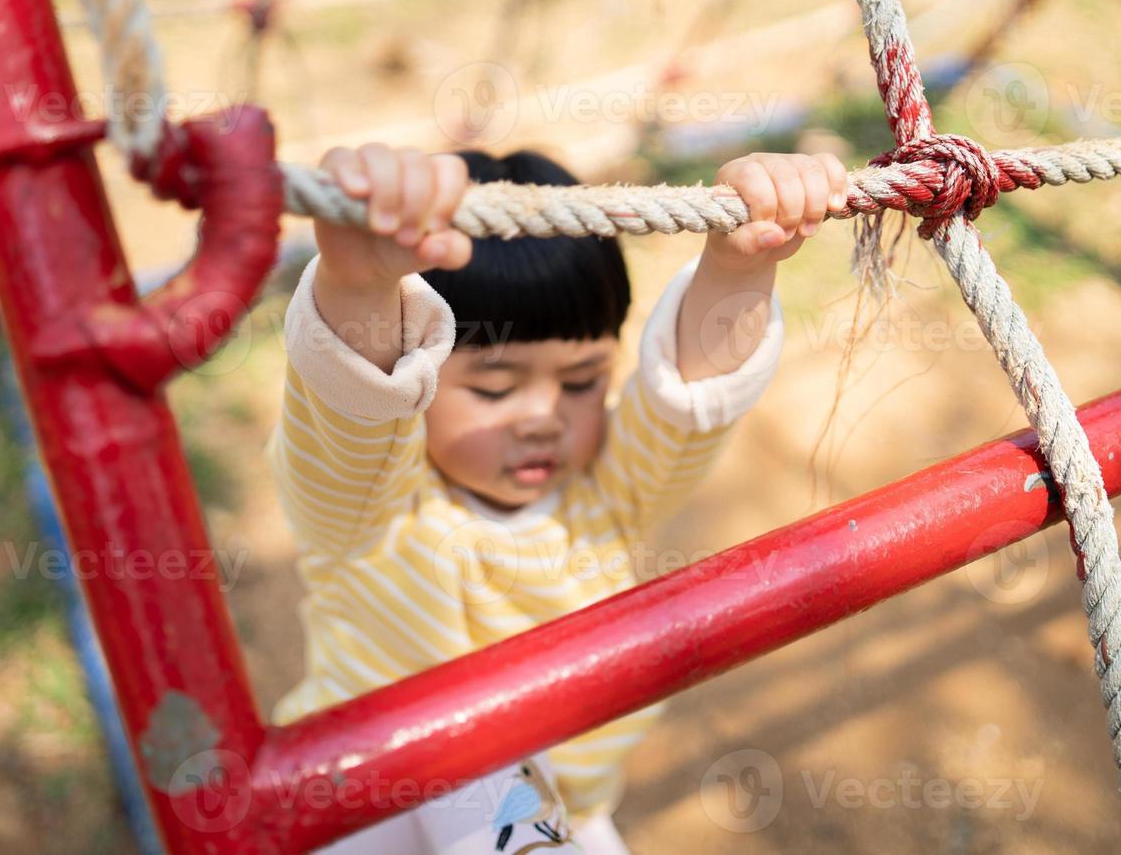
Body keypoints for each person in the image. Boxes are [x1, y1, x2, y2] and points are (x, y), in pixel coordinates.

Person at [266, 143, 848, 852]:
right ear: (418, 366)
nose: (544, 415)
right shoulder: (369, 511)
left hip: (557, 821)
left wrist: (742, 265)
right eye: (494, 387)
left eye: (580, 382)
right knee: (482, 779)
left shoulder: (611, 494)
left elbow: (691, 398)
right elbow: (350, 411)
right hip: (364, 805)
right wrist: (359, 284)